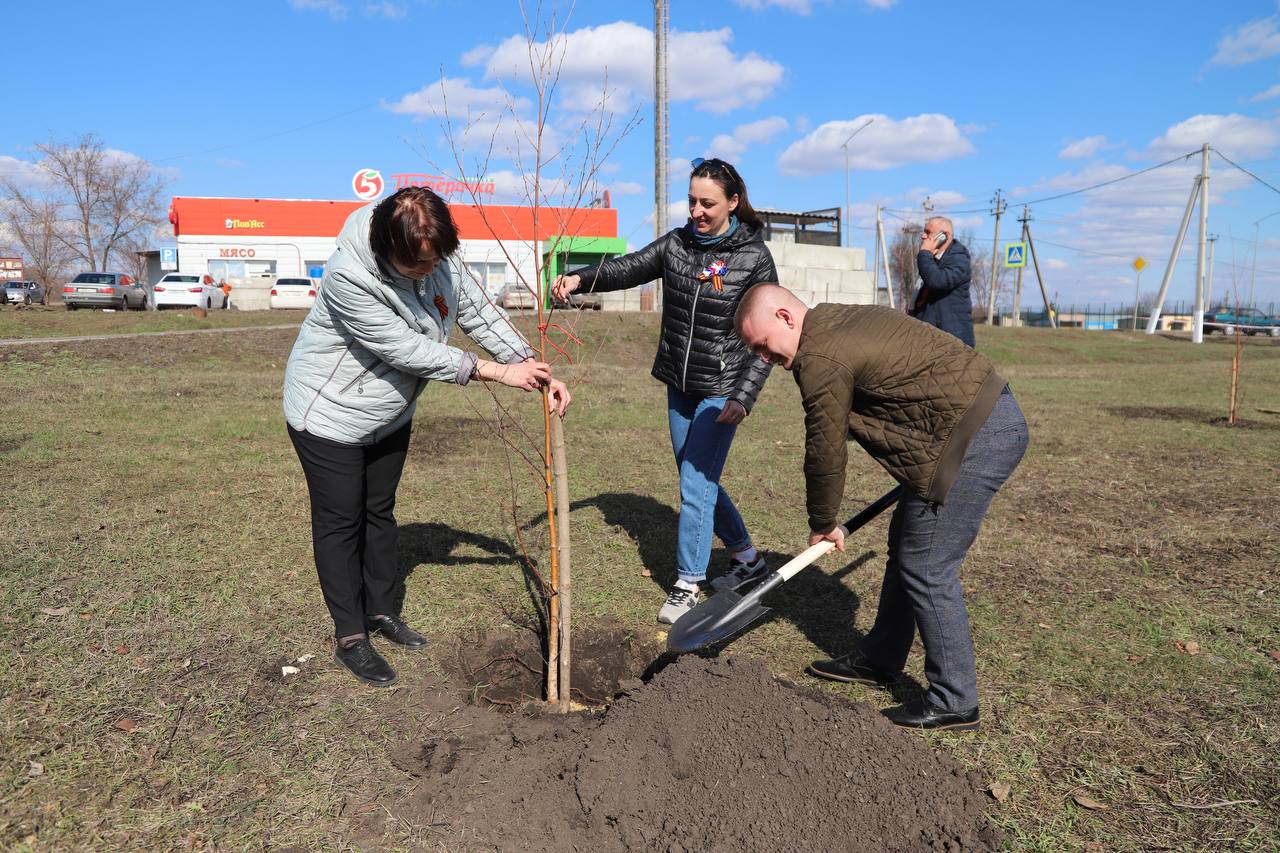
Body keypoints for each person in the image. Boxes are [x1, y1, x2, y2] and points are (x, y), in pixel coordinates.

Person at [283, 187, 571, 687]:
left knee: (379, 511)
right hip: (329, 415)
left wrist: (529, 364)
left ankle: (381, 611)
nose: (427, 271)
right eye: (416, 264)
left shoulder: (439, 257)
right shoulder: (348, 277)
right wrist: (491, 372)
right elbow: (406, 349)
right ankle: (351, 636)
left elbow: (479, 312)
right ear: (384, 245)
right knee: (340, 521)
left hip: (388, 412)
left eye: (433, 261)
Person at [735, 284, 1028, 731]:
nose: (764, 358)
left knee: (928, 566)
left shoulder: (820, 357)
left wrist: (822, 523)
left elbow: (825, 448)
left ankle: (955, 699)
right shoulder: (830, 320)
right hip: (963, 426)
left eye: (762, 344)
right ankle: (881, 658)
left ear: (786, 317)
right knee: (907, 547)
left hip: (973, 437)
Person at [552, 157, 776, 624]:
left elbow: (769, 336)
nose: (696, 210)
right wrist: (580, 277)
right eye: (692, 200)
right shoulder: (677, 245)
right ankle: (748, 559)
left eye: (707, 203)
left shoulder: (753, 257)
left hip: (722, 386)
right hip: (680, 382)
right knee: (700, 478)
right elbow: (627, 268)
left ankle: (686, 583)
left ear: (733, 203)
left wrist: (744, 396)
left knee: (695, 482)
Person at [911, 216, 974, 347]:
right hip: (929, 339)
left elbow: (937, 281)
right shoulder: (933, 259)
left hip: (951, 342)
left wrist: (924, 253)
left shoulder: (959, 259)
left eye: (928, 232)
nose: (923, 236)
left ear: (944, 236)